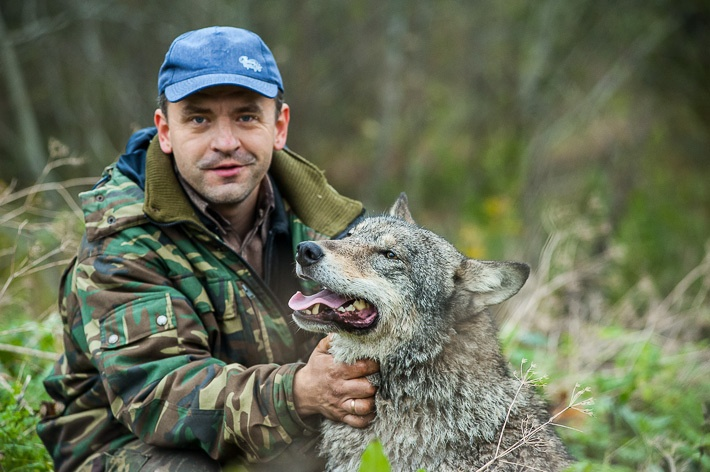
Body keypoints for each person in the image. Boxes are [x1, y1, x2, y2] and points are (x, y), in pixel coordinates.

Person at [37, 26, 379, 472]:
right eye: (199, 120)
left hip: (282, 426)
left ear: (279, 126)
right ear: (165, 131)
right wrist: (300, 390)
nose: (225, 142)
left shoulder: (330, 225)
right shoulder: (122, 242)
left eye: (246, 117)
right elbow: (159, 397)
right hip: (124, 440)